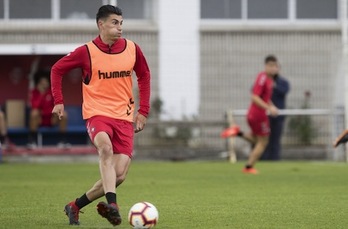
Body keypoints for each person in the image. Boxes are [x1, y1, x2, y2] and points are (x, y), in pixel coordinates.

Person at [50, 5, 150, 226]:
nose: (120, 27)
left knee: (119, 175)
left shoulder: (133, 49)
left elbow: (144, 75)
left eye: (121, 23)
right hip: (97, 114)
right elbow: (57, 69)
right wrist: (59, 101)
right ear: (101, 24)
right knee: (105, 149)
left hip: (124, 117)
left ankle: (74, 206)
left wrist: (143, 111)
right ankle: (112, 205)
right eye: (115, 22)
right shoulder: (86, 52)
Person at [226, 55, 279, 174]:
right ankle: (248, 167)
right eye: (272, 66)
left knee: (257, 140)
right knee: (263, 142)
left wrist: (271, 106)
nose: (274, 69)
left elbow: (264, 98)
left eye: (276, 66)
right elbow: (255, 97)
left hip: (255, 114)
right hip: (258, 115)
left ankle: (237, 132)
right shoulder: (263, 78)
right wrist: (268, 108)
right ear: (266, 66)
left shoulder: (269, 80)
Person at [28, 71, 69, 148]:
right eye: (42, 82)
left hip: (51, 118)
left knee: (64, 114)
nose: (44, 84)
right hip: (39, 119)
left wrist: (52, 114)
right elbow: (35, 106)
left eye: (45, 82)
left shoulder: (52, 91)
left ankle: (62, 141)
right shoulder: (34, 92)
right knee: (34, 113)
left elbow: (56, 106)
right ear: (38, 83)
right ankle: (32, 141)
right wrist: (41, 94)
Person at [261, 70, 290, 160]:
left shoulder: (283, 82)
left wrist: (274, 86)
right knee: (265, 139)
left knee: (275, 139)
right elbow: (256, 92)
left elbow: (285, 90)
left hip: (278, 116)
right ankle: (264, 159)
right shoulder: (263, 80)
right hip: (265, 115)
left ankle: (275, 159)